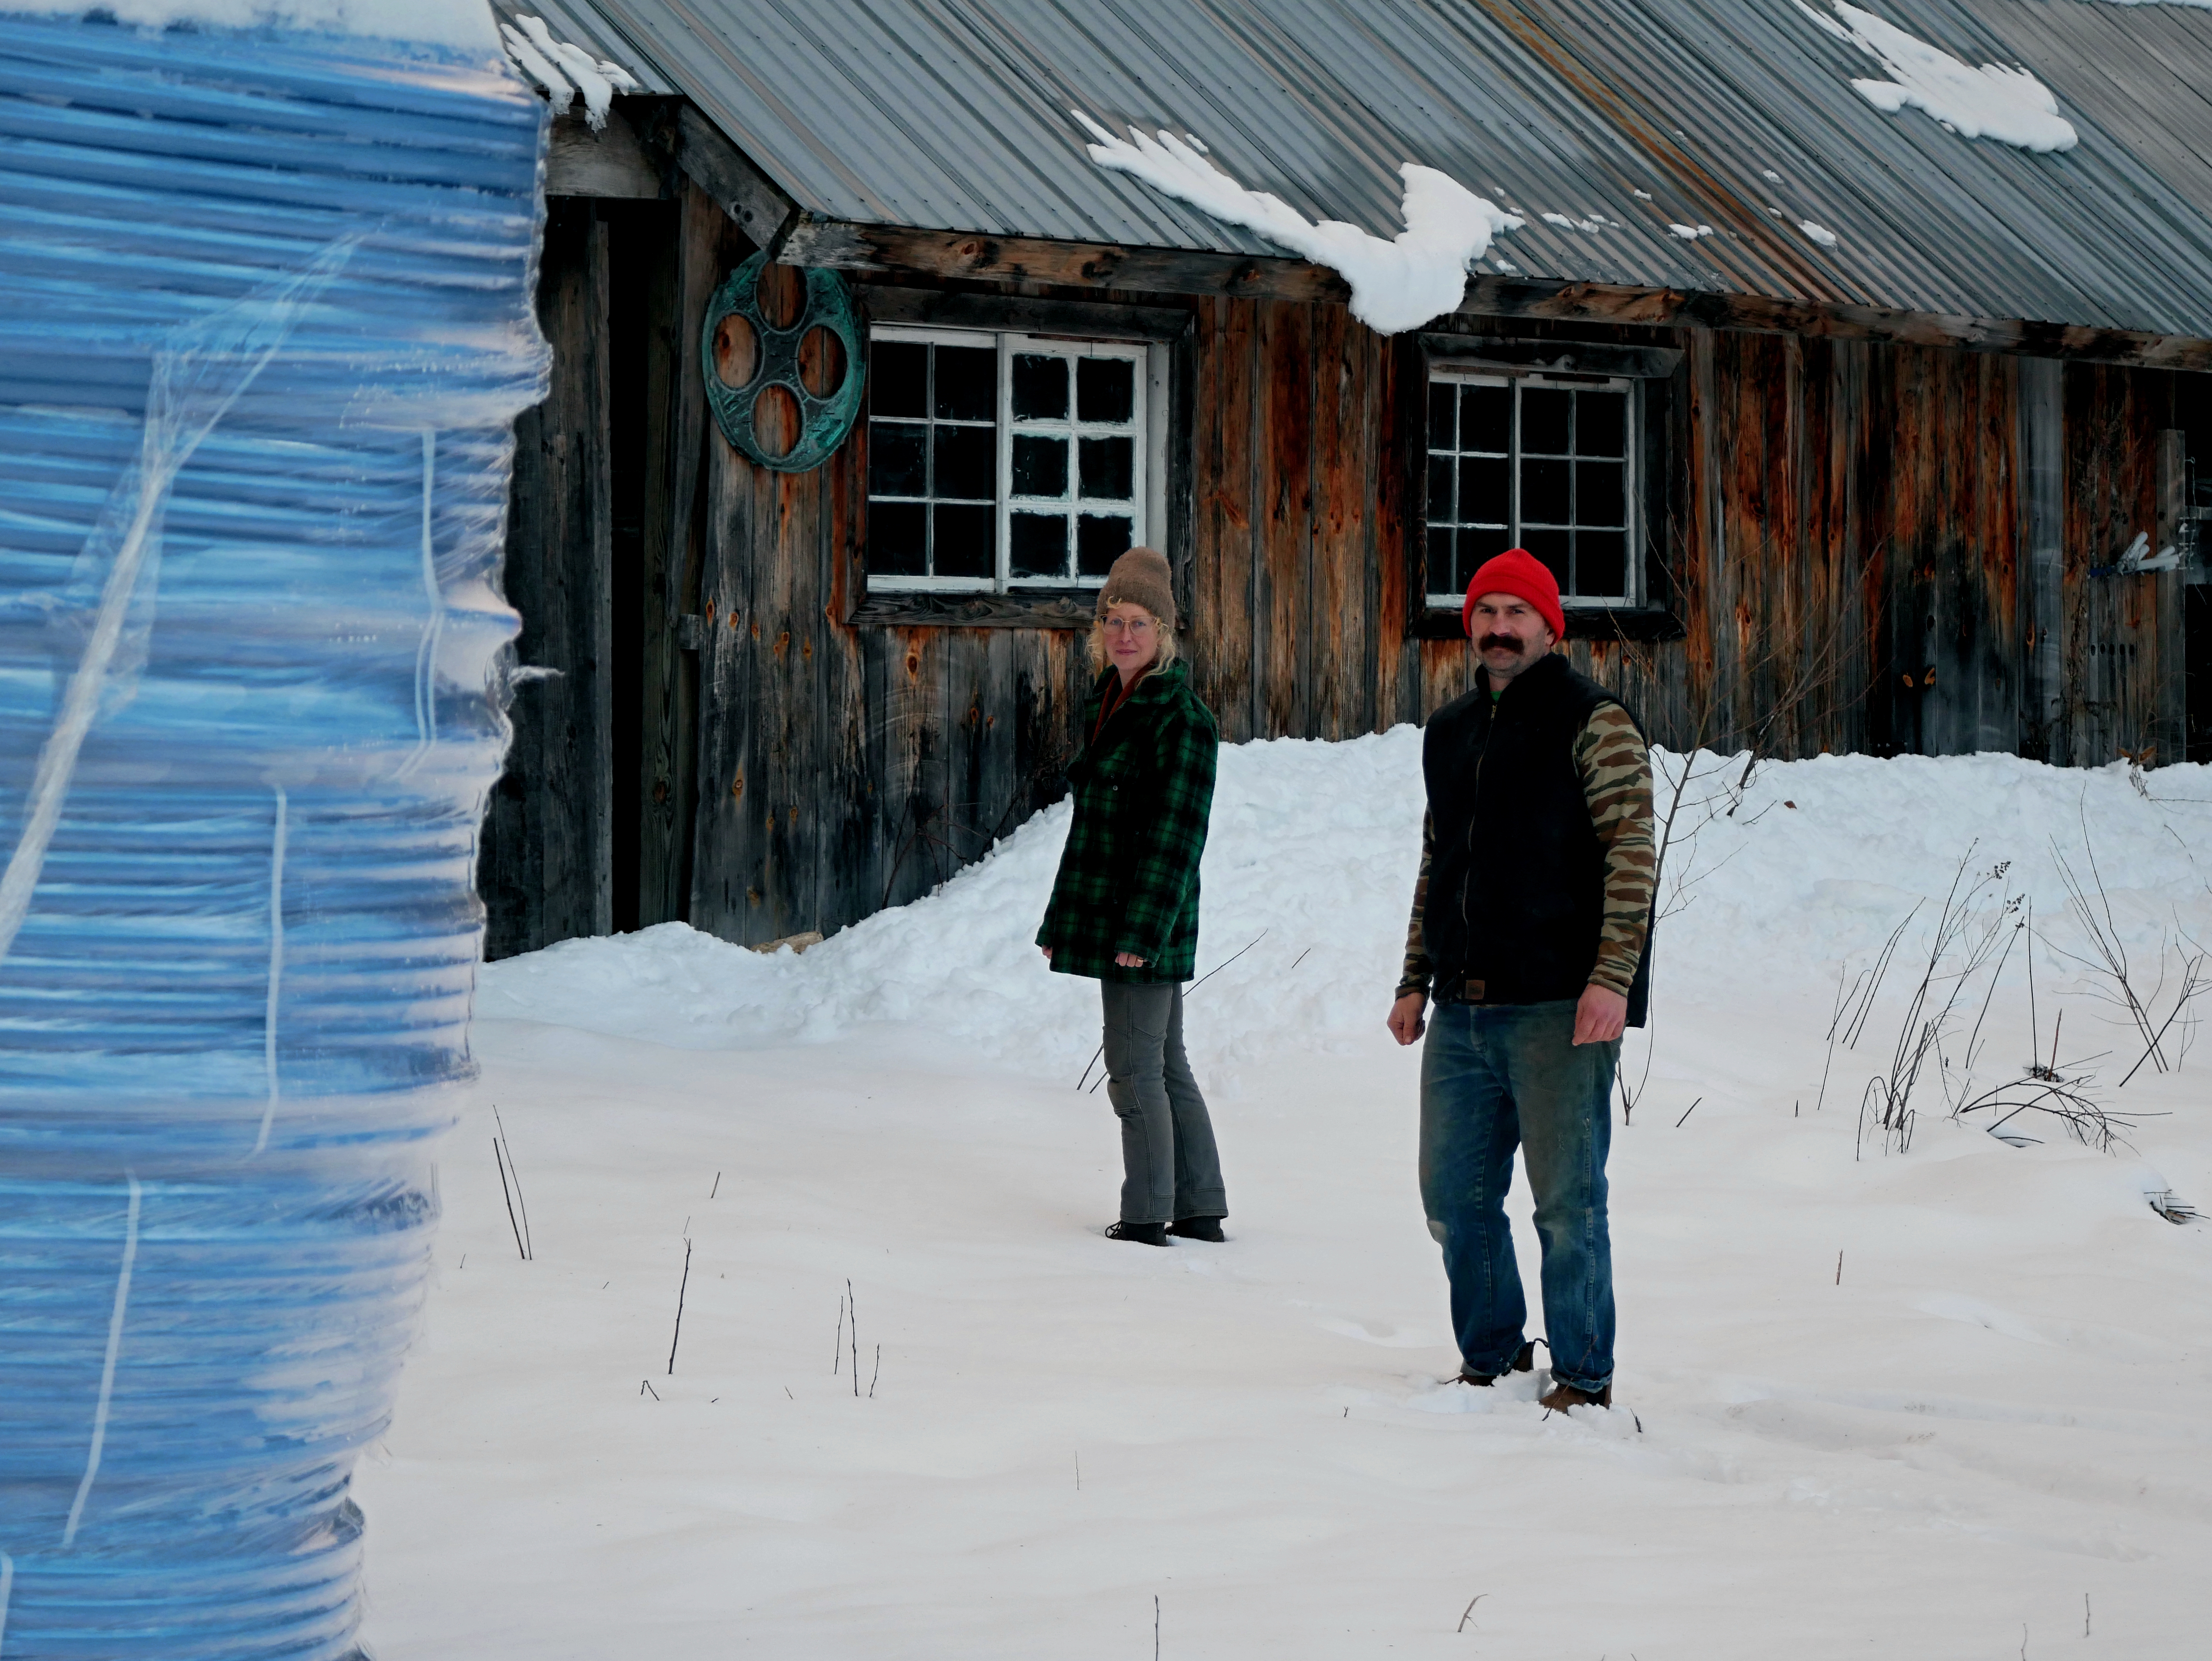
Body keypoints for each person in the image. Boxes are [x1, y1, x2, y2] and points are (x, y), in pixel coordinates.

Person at [1386, 547, 1655, 1411]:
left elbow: (1631, 860)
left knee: (1567, 1207)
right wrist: (1413, 980)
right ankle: (1493, 1356)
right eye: (1487, 612)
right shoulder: (1450, 729)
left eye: (1518, 613)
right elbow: (1441, 865)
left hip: (1559, 1009)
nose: (1500, 628)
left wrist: (1612, 981)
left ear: (1549, 626)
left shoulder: (1595, 721)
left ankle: (1583, 1375)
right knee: (1452, 1199)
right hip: (1463, 1011)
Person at [1037, 547, 1226, 1247]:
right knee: (1165, 1062)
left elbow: (1175, 839)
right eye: (1113, 621)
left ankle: (1148, 1215)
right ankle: (1199, 1205)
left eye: (1139, 623)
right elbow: (1092, 830)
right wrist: (1065, 921)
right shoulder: (1112, 700)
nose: (1124, 636)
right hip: (1115, 915)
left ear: (1165, 633)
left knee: (1133, 1067)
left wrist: (1140, 935)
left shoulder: (1180, 717)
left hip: (1147, 921)